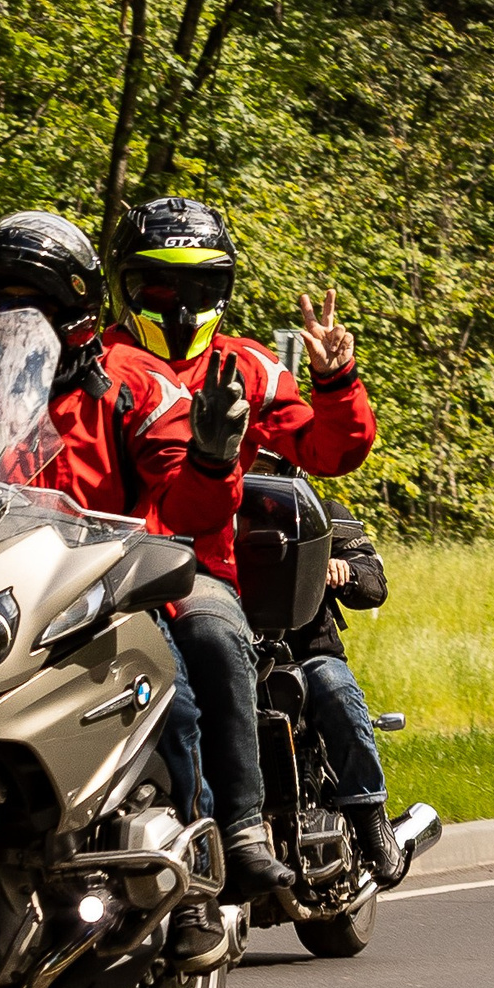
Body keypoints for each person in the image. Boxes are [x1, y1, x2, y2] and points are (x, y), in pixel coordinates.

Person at [0, 215, 237, 967]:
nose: (13, 322)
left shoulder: (131, 388)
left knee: (170, 699)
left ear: (73, 313)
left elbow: (187, 507)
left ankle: (197, 888)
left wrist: (211, 458)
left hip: (101, 596)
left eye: (32, 304)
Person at [102, 196, 380, 904]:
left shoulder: (249, 365)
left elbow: (329, 449)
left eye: (197, 286)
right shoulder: (98, 364)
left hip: (197, 569)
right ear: (129, 286)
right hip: (94, 564)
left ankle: (244, 829)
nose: (178, 302)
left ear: (221, 290)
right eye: (159, 285)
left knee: (219, 641)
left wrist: (336, 380)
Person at [290, 493, 405, 885]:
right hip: (243, 654)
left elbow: (374, 579)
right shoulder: (214, 505)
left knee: (337, 690)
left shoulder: (319, 512)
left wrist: (347, 571)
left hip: (307, 651)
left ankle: (370, 818)